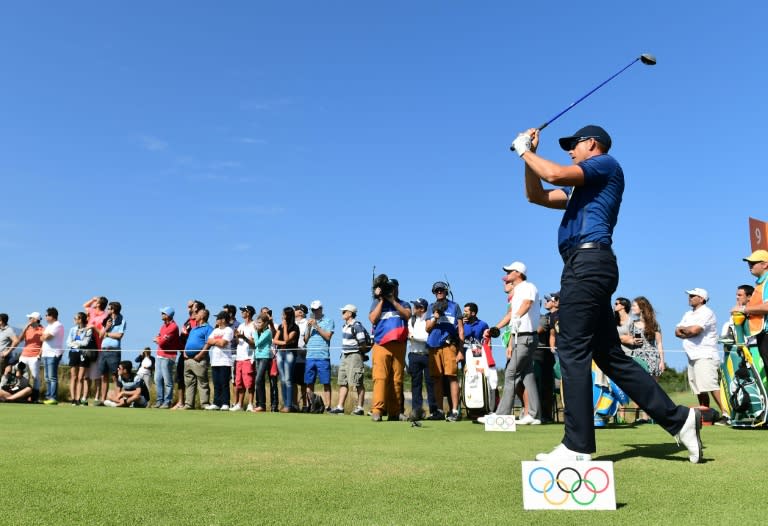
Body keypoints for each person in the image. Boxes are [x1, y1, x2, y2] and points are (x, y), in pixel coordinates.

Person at [514, 124, 702, 462]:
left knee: (571, 349)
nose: (570, 150)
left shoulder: (606, 165)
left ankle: (577, 445)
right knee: (610, 357)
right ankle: (680, 419)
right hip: (586, 265)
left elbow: (554, 175)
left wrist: (528, 151)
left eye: (574, 144)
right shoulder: (580, 190)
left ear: (592, 144)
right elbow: (537, 195)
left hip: (587, 263)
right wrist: (526, 157)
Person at [484, 263, 541, 425]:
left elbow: (527, 304)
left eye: (509, 271)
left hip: (526, 337)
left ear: (518, 273)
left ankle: (501, 414)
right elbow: (510, 314)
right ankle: (534, 415)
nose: (506, 274)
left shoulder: (528, 286)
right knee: (527, 376)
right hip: (518, 337)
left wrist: (517, 316)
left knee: (510, 374)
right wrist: (495, 328)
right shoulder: (516, 292)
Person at [675, 288, 728, 423]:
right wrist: (687, 330)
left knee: (710, 385)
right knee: (699, 388)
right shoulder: (688, 314)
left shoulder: (707, 312)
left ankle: (726, 414)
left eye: (693, 296)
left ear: (702, 299)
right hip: (692, 355)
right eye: (690, 295)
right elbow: (677, 331)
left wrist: (686, 330)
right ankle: (706, 414)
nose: (690, 297)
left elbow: (695, 330)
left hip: (705, 354)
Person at [368, 275, 411, 422]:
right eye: (389, 288)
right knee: (380, 378)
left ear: (397, 289)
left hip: (399, 345)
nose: (391, 290)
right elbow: (373, 319)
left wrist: (392, 300)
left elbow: (407, 315)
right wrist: (381, 300)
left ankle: (396, 412)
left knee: (397, 379)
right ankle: (377, 411)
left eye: (393, 287)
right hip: (381, 344)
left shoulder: (404, 303)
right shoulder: (376, 303)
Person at [426, 281, 464, 422]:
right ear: (434, 293)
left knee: (452, 377)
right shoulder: (430, 307)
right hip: (433, 346)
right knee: (436, 378)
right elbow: (427, 328)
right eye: (437, 291)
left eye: (441, 290)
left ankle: (454, 411)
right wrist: (435, 317)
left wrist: (461, 350)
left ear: (446, 291)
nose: (439, 292)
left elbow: (460, 329)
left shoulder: (455, 306)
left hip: (449, 345)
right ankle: (440, 411)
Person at [329, 304, 367, 415]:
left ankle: (360, 408)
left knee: (357, 381)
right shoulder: (344, 326)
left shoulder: (356, 325)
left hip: (354, 355)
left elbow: (362, 342)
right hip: (344, 355)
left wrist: (361, 355)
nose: (342, 314)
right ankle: (340, 407)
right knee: (342, 381)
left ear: (350, 313)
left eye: (344, 312)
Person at [738, 250, 768, 369]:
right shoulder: (761, 283)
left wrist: (744, 309)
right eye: (749, 263)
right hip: (763, 334)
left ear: (765, 264)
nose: (750, 265)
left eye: (753, 262)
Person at [407, 298, 435, 421]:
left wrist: (413, 338)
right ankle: (416, 411)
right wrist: (413, 337)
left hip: (427, 355)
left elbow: (427, 338)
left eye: (416, 306)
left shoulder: (429, 321)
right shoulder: (411, 320)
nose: (413, 308)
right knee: (416, 385)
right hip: (414, 355)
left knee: (430, 384)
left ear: (422, 309)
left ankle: (434, 411)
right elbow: (412, 335)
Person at [304, 300, 334, 412]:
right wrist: (308, 327)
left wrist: (316, 326)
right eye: (313, 310)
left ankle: (328, 406)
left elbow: (328, 336)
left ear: (321, 309)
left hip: (323, 356)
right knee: (309, 382)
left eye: (316, 309)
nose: (315, 311)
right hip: (310, 356)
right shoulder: (310, 322)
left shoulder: (329, 321)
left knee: (326, 382)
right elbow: (306, 340)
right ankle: (310, 405)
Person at [182, 308, 214, 410]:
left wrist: (200, 355)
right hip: (188, 359)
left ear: (203, 316)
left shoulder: (208, 328)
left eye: (197, 313)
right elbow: (189, 342)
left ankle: (204, 404)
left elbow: (208, 343)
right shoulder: (194, 328)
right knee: (189, 383)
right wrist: (185, 352)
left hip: (199, 359)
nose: (195, 315)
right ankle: (188, 404)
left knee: (202, 382)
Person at [95, 301, 126, 406]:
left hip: (114, 351)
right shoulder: (106, 321)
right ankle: (103, 400)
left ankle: (117, 399)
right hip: (104, 350)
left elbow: (119, 335)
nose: (107, 310)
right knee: (104, 376)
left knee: (115, 376)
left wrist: (107, 334)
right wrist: (107, 328)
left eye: (109, 308)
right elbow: (100, 335)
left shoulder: (122, 321)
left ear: (113, 310)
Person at [11, 312, 45, 402]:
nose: (29, 319)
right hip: (24, 355)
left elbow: (44, 344)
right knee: (20, 374)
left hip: (34, 357)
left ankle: (35, 398)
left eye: (30, 318)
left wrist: (39, 355)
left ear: (35, 319)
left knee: (35, 377)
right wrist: (25, 328)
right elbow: (19, 339)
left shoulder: (43, 330)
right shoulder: (27, 329)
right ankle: (22, 395)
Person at [153, 306, 180, 409]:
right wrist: (159, 340)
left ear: (168, 315)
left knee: (167, 381)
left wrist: (158, 340)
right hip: (159, 355)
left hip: (169, 356)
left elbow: (162, 343)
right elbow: (159, 337)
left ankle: (167, 401)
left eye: (163, 313)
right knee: (157, 379)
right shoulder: (163, 326)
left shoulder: (173, 327)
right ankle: (159, 401)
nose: (161, 315)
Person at [273, 307, 299, 412]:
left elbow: (287, 338)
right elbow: (275, 340)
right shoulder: (279, 326)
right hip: (280, 353)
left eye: (283, 314)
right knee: (282, 380)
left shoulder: (295, 327)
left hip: (290, 354)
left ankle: (288, 405)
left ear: (288, 315)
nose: (282, 316)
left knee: (288, 380)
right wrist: (283, 343)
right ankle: (285, 404)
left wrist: (285, 328)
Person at [206, 311, 234, 411]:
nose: (216, 320)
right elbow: (208, 341)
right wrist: (216, 341)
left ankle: (225, 403)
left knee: (224, 383)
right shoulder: (215, 330)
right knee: (216, 383)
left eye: (218, 318)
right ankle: (216, 403)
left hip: (225, 361)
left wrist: (215, 342)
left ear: (223, 320)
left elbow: (223, 343)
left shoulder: (229, 330)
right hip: (215, 361)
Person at [66, 312, 95, 406]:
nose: (74, 320)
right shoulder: (72, 329)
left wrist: (75, 342)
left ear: (80, 319)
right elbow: (68, 342)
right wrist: (76, 343)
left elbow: (85, 343)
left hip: (84, 354)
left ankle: (78, 398)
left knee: (80, 377)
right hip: (73, 353)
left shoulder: (88, 330)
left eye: (76, 318)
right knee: (73, 377)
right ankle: (73, 399)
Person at [232, 306, 256, 412]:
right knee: (239, 382)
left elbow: (254, 343)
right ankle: (240, 404)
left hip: (248, 357)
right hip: (239, 357)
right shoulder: (241, 325)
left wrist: (244, 337)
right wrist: (236, 336)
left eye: (243, 311)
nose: (241, 312)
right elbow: (238, 342)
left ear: (249, 312)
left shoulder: (254, 325)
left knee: (249, 382)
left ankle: (250, 404)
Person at [40, 307, 65, 404]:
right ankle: (48, 396)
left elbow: (46, 337)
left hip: (53, 353)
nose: (45, 317)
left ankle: (53, 398)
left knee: (52, 377)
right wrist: (43, 337)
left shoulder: (58, 325)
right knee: (47, 377)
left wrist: (44, 337)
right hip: (46, 353)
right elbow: (42, 338)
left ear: (52, 316)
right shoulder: (48, 326)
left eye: (47, 315)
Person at [252, 313, 274, 412]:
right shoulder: (259, 332)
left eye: (260, 322)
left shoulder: (268, 332)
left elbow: (257, 343)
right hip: (258, 357)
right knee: (259, 381)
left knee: (258, 379)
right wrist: (256, 331)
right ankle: (260, 405)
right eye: (257, 322)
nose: (258, 324)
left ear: (265, 323)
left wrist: (255, 331)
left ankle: (262, 405)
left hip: (265, 357)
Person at [292, 304, 309, 411]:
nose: (294, 311)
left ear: (301, 312)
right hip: (293, 357)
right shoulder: (292, 322)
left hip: (303, 357)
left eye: (296, 309)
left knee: (303, 384)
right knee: (293, 382)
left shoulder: (307, 323)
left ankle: (305, 405)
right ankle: (294, 405)